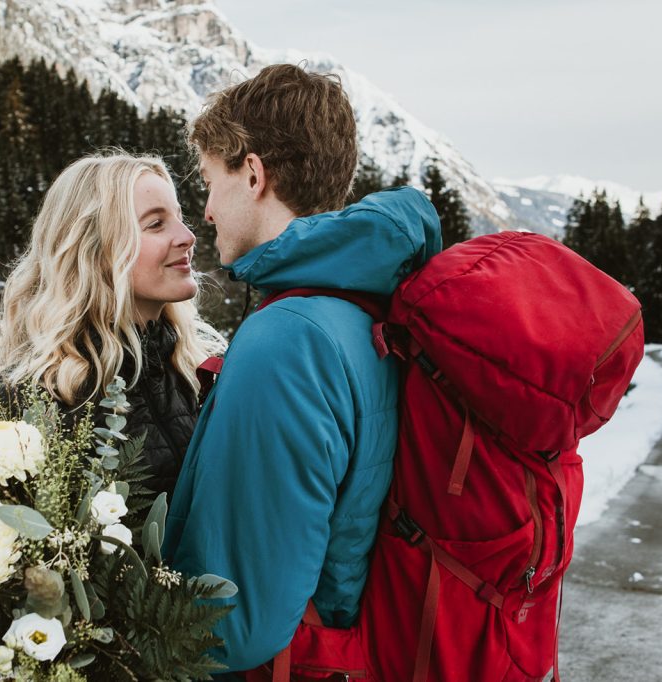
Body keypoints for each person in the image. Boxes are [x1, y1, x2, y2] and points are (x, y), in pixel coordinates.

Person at [162, 64, 442, 673]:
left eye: (210, 182)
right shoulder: (363, 308)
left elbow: (231, 623)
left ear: (254, 174)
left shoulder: (290, 338)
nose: (204, 211)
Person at [0, 152, 227, 496]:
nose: (187, 236)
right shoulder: (34, 397)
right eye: (156, 224)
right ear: (95, 250)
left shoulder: (198, 370)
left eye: (179, 218)